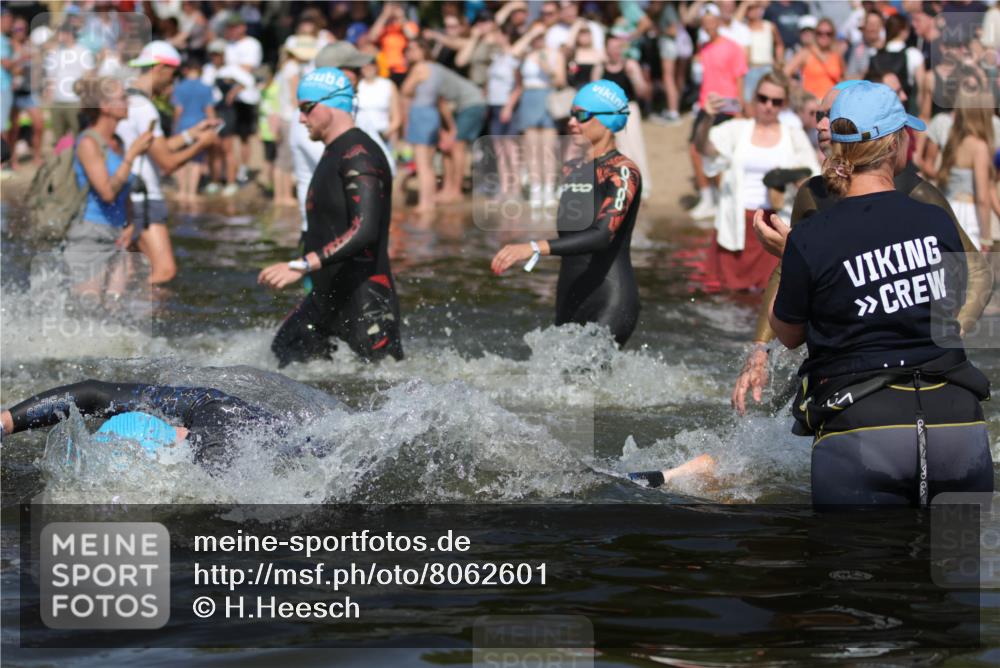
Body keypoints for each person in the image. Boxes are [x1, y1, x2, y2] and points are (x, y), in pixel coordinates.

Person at [765, 81, 993, 505]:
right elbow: (937, 310)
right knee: (960, 568)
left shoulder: (811, 236)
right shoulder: (935, 222)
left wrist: (789, 256)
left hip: (863, 431)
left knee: (856, 561)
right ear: (894, 146)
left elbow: (790, 333)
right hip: (956, 425)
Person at [258, 67, 403, 367]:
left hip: (366, 305)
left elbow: (365, 230)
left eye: (306, 108)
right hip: (328, 298)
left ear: (331, 104)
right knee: (281, 357)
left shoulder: (359, 154)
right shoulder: (334, 151)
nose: (300, 118)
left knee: (372, 400)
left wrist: (301, 265)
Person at [491, 80, 642, 347]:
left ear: (608, 120)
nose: (572, 122)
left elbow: (601, 236)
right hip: (570, 295)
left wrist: (534, 247)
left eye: (582, 115)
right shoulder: (572, 169)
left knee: (586, 380)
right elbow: (573, 232)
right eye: (571, 114)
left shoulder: (623, 172)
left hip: (611, 297)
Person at [694, 71, 820, 291]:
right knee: (726, 294)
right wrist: (707, 117)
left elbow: (812, 181)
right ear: (754, 98)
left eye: (776, 101)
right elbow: (705, 148)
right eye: (763, 99)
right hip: (736, 221)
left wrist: (790, 176)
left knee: (771, 295)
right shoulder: (737, 129)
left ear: (784, 104)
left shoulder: (793, 135)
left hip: (776, 224)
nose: (768, 106)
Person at [1, 380, 295, 469]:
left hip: (216, 413)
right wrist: (6, 424)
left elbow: (91, 393)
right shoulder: (167, 415)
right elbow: (91, 394)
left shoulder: (215, 455)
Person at [118, 40, 217, 284]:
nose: (173, 83)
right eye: (172, 75)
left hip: (127, 195)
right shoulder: (145, 108)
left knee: (133, 272)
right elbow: (167, 164)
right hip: (144, 199)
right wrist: (201, 146)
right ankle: (145, 318)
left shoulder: (127, 99)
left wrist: (190, 134)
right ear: (160, 68)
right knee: (163, 271)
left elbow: (154, 149)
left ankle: (123, 315)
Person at [68, 77, 154, 290]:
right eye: (123, 98)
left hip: (117, 234)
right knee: (88, 312)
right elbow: (107, 192)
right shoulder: (88, 143)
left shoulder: (118, 142)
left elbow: (124, 190)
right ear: (105, 107)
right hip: (89, 235)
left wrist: (130, 223)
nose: (129, 102)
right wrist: (131, 155)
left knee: (115, 311)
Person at [927, 91, 996, 251]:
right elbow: (982, 198)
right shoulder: (980, 147)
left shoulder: (955, 140)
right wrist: (985, 238)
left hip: (949, 209)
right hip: (969, 216)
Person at [171, 57, 216, 202]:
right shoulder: (206, 87)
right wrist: (213, 127)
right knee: (197, 159)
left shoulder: (179, 87)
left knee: (182, 158)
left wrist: (175, 127)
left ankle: (182, 191)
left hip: (183, 124)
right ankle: (192, 192)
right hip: (200, 124)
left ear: (186, 70)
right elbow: (209, 110)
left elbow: (178, 110)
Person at [784, 17, 844, 100]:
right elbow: (785, 73)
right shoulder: (806, 52)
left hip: (832, 103)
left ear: (833, 35)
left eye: (828, 33)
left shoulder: (836, 55)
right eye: (820, 33)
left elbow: (843, 78)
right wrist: (795, 87)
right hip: (811, 103)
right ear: (815, 34)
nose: (824, 36)